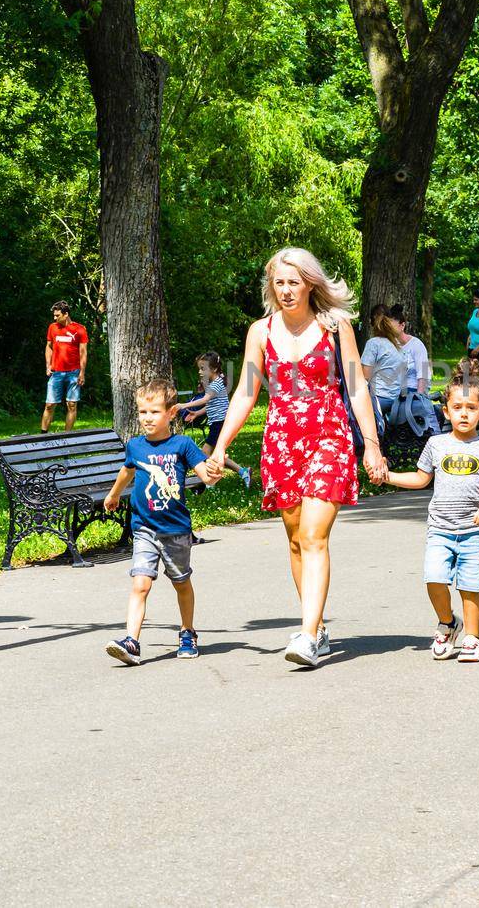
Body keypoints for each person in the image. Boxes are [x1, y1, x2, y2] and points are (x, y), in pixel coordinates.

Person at [208, 247, 388, 668]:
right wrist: (221, 447)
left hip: (329, 435)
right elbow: (246, 393)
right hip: (282, 440)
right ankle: (319, 626)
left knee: (312, 536)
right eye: (279, 282)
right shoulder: (261, 331)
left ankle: (307, 636)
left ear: (310, 283)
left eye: (294, 282)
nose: (286, 290)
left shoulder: (334, 325)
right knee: (294, 539)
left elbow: (357, 387)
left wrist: (372, 443)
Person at [382, 378, 479, 664]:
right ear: (446, 412)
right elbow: (420, 478)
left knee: (470, 586)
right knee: (434, 579)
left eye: (471, 407)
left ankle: (472, 639)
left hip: (474, 531)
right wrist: (388, 477)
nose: (464, 413)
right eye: (457, 407)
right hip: (440, 529)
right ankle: (448, 624)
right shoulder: (436, 444)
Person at [103, 380, 221, 665]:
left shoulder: (182, 444)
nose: (147, 418)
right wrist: (113, 494)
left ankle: (187, 632)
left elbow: (205, 475)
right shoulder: (135, 446)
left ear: (171, 413)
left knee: (181, 583)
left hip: (176, 530)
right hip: (143, 527)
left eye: (154, 412)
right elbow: (127, 471)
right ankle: (131, 641)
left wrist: (214, 473)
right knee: (140, 584)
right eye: (142, 412)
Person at [179, 352, 251, 488]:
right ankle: (243, 472)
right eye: (199, 368)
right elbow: (210, 405)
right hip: (217, 423)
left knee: (205, 453)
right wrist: (196, 414)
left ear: (214, 369)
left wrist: (184, 405)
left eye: (203, 368)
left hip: (220, 423)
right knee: (215, 453)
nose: (200, 372)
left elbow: (205, 400)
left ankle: (207, 483)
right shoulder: (216, 382)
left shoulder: (215, 385)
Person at [361, 304, 412, 430]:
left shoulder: (373, 343)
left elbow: (365, 376)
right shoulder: (398, 347)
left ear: (371, 323)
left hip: (377, 399)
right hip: (395, 401)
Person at [42, 301, 88, 433]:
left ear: (66, 314)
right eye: (54, 316)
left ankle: (67, 437)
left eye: (57, 315)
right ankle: (43, 435)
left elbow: (83, 352)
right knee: (49, 405)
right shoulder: (52, 328)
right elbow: (49, 347)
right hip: (56, 373)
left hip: (74, 373)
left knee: (72, 405)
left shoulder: (79, 329)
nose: (55, 318)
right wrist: (48, 365)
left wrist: (82, 373)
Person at [390, 304, 432, 394]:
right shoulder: (388, 345)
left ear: (402, 325)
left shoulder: (416, 345)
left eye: (391, 327)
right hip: (394, 390)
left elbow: (423, 373)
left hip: (413, 388)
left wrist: (418, 396)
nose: (389, 331)